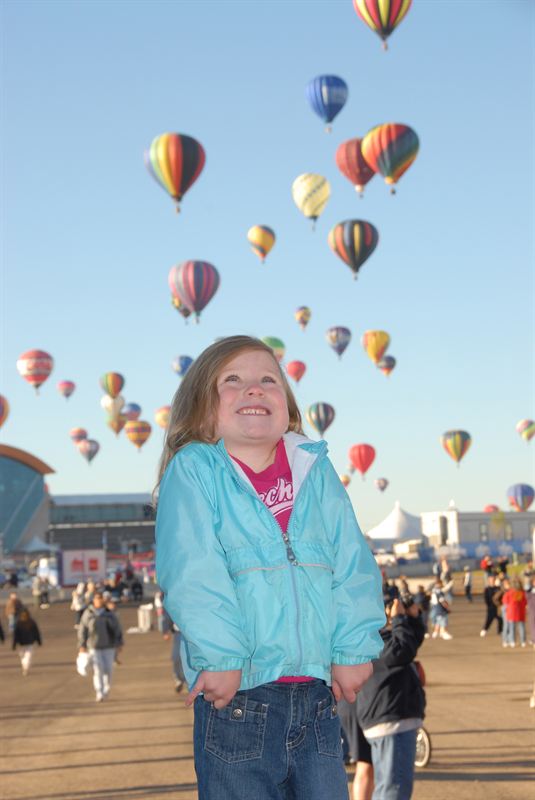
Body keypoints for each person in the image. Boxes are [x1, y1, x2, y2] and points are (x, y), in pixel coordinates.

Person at [155, 335, 385, 800]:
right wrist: (221, 657)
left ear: (287, 404)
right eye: (232, 380)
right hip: (240, 696)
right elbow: (194, 572)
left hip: (317, 698)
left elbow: (351, 559)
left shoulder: (313, 468)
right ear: (202, 409)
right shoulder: (196, 469)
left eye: (268, 380)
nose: (254, 388)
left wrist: (353, 645)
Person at [357, 597, 426, 800]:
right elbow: (402, 650)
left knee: (389, 786)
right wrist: (399, 619)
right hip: (390, 721)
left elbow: (410, 643)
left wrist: (412, 619)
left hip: (388, 719)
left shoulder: (372, 636)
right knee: (393, 789)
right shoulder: (372, 640)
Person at [78, 590, 123, 702]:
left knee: (108, 670)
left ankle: (106, 689)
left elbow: (117, 628)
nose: (99, 600)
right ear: (93, 600)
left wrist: (119, 643)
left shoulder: (109, 613)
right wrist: (82, 645)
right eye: (97, 598)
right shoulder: (88, 613)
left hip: (109, 646)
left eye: (101, 598)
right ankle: (99, 692)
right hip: (94, 646)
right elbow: (82, 630)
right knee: (98, 669)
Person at [12, 608, 42, 676]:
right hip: (29, 642)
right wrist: (39, 641)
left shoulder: (19, 623)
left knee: (22, 656)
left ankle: (24, 666)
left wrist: (14, 644)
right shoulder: (31, 622)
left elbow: (16, 635)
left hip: (21, 642)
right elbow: (36, 632)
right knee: (28, 655)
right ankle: (26, 666)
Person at [502, 579, 527, 647]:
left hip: (511, 612)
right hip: (519, 612)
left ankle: (512, 641)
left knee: (512, 627)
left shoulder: (510, 592)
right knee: (521, 627)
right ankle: (522, 641)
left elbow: (505, 601)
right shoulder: (521, 592)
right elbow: (524, 602)